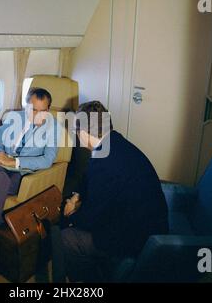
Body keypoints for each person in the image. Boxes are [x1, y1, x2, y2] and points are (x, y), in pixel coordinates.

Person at [61, 101, 168, 282]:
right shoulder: (114, 142)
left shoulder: (104, 163)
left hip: (139, 239)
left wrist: (71, 215)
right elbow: (89, 177)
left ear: (84, 133)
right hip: (151, 222)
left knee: (67, 238)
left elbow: (90, 218)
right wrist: (76, 196)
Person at [0, 88, 58, 283]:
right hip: (0, 167)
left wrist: (14, 163)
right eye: (34, 109)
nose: (38, 115)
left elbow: (48, 160)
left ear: (48, 110)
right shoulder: (13, 118)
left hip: (22, 173)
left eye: (43, 110)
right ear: (26, 107)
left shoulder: (53, 127)